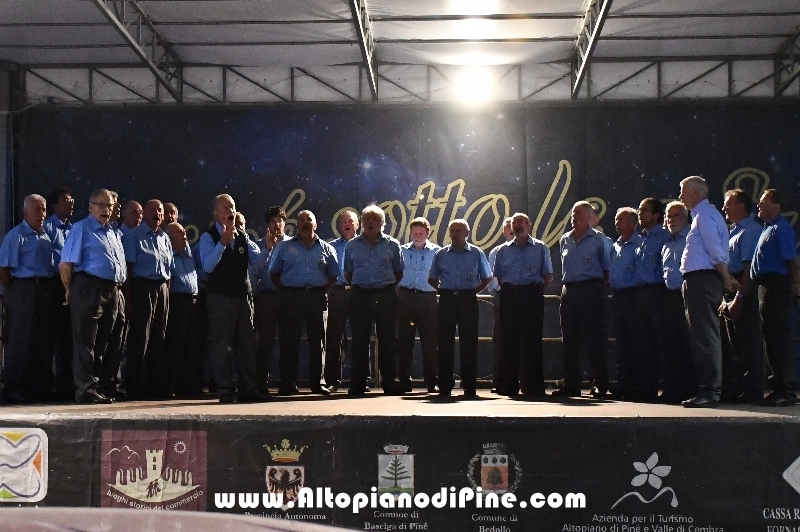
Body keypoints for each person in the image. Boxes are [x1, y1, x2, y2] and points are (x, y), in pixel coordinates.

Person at [199, 194, 269, 403]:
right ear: (216, 213)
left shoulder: (242, 236)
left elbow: (257, 262)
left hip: (243, 297)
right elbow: (207, 266)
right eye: (226, 207)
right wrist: (222, 243)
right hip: (221, 298)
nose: (230, 211)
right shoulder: (208, 237)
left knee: (247, 345)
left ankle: (248, 389)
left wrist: (268, 247)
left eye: (233, 207)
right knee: (222, 345)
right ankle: (224, 389)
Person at [59, 189, 127, 404]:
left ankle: (100, 386)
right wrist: (69, 290)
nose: (106, 209)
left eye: (110, 206)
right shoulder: (81, 228)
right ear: (90, 207)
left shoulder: (113, 231)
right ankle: (85, 389)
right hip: (89, 287)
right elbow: (65, 264)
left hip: (112, 289)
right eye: (101, 205)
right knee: (85, 340)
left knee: (104, 341)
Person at [678, 176, 734, 408]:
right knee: (702, 335)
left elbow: (715, 249)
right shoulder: (702, 215)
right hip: (699, 280)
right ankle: (708, 388)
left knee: (705, 336)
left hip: (703, 280)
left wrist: (725, 278)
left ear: (695, 192)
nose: (680, 197)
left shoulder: (704, 215)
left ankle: (710, 391)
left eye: (683, 191)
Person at [270, 210, 338, 396]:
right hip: (291, 298)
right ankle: (288, 383)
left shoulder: (327, 249)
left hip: (317, 298)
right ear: (296, 225)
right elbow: (273, 273)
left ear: (315, 225)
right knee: (289, 341)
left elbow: (333, 275)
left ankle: (317, 383)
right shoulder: (283, 247)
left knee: (318, 342)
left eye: (309, 219)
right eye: (301, 220)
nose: (305, 222)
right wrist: (287, 291)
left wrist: (320, 291)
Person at [429, 219, 493, 399]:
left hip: (468, 299)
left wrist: (472, 292)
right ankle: (445, 386)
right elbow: (431, 278)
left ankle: (469, 386)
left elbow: (487, 277)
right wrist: (443, 291)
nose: (455, 233)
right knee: (444, 343)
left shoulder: (476, 253)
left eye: (459, 230)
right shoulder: (441, 254)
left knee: (469, 343)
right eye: (452, 230)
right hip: (447, 299)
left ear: (467, 233)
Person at [344, 205, 403, 395]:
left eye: (375, 219)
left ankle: (389, 382)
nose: (371, 222)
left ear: (382, 224)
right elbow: (348, 273)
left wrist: (383, 285)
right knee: (359, 340)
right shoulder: (351, 245)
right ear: (362, 223)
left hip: (385, 295)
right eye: (367, 219)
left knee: (388, 340)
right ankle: (359, 383)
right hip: (360, 295)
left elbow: (398, 272)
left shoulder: (393, 245)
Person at [0, 195, 54, 403]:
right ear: (25, 212)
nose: (42, 214)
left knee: (42, 339)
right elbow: (4, 268)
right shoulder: (17, 235)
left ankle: (38, 388)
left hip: (44, 288)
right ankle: (13, 388)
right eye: (37, 210)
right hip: (23, 287)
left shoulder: (45, 236)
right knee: (20, 339)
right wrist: (12, 292)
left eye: (44, 210)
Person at [554, 201, 610, 398]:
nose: (574, 217)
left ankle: (599, 384)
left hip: (591, 289)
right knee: (569, 340)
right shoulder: (565, 240)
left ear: (588, 217)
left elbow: (607, 269)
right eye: (572, 213)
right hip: (569, 291)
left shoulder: (600, 239)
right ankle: (571, 383)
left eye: (578, 213)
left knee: (595, 339)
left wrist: (596, 289)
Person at [492, 213, 552, 397]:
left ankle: (534, 386)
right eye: (514, 222)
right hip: (510, 296)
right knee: (509, 341)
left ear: (528, 225)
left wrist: (533, 292)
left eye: (520, 222)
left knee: (533, 341)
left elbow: (548, 276)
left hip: (531, 295)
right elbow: (499, 277)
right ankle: (509, 385)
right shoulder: (502, 250)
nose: (516, 225)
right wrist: (512, 291)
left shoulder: (541, 248)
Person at [751, 189, 800, 406]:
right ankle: (777, 386)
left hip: (777, 284)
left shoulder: (782, 228)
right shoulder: (768, 228)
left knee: (778, 336)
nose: (758, 205)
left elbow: (792, 261)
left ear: (776, 205)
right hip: (765, 286)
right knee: (770, 337)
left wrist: (796, 285)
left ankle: (786, 390)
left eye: (763, 202)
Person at [122, 199, 173, 400]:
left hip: (162, 288)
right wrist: (128, 299)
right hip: (141, 287)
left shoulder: (165, 238)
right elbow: (127, 270)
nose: (157, 213)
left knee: (159, 338)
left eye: (160, 210)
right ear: (144, 213)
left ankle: (154, 386)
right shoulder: (134, 235)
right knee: (140, 338)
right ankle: (135, 386)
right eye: (152, 210)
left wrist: (166, 293)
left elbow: (168, 271)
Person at [719, 189, 764, 403]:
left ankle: (753, 388)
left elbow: (749, 268)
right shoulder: (732, 231)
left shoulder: (750, 230)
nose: (724, 208)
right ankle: (738, 386)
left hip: (745, 288)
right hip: (731, 285)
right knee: (735, 342)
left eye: (728, 204)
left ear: (741, 206)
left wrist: (740, 297)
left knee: (749, 339)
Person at [633, 198, 671, 401]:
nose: (640, 214)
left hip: (658, 292)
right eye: (639, 210)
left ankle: (668, 387)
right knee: (644, 342)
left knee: (661, 340)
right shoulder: (641, 237)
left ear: (656, 215)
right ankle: (646, 388)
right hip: (641, 292)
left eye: (644, 210)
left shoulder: (664, 236)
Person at [397, 217, 440, 393]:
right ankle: (404, 382)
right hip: (405, 298)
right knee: (404, 341)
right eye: (415, 232)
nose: (418, 236)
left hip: (428, 298)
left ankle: (431, 382)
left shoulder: (437, 252)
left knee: (430, 341)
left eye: (421, 233)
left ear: (428, 233)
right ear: (410, 233)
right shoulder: (401, 250)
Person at [659, 201, 696, 403]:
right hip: (670, 296)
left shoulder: (692, 239)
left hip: (688, 295)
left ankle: (691, 388)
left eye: (676, 215)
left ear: (686, 217)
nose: (671, 220)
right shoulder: (667, 243)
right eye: (668, 216)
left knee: (688, 343)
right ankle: (674, 388)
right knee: (671, 344)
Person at [253, 206, 290, 394]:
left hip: (287, 297)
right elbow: (255, 271)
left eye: (279, 221)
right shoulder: (258, 245)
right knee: (265, 341)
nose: (277, 225)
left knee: (288, 341)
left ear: (285, 223)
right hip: (265, 297)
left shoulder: (293, 244)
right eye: (273, 221)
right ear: (268, 225)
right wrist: (268, 248)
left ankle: (287, 383)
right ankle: (261, 384)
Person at [608, 207, 643, 400]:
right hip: (618, 296)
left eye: (621, 220)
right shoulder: (615, 245)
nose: (617, 224)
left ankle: (637, 385)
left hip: (634, 296)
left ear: (632, 223)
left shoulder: (640, 243)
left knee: (636, 341)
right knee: (622, 342)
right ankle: (624, 383)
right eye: (616, 219)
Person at [43, 186, 74, 400]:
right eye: (65, 199)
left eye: (71, 199)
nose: (70, 203)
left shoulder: (73, 228)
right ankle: (50, 386)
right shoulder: (47, 228)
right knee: (52, 337)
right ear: (54, 205)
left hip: (72, 285)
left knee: (68, 338)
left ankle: (67, 384)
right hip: (53, 285)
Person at [163, 222, 201, 397]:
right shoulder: (169, 256)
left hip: (193, 301)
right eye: (179, 232)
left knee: (191, 345)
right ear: (169, 236)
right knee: (175, 345)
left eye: (184, 231)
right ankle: (171, 386)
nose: (184, 234)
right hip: (177, 301)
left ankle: (188, 386)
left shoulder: (189, 255)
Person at [325, 210, 359, 392]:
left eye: (350, 221)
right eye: (343, 221)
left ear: (357, 225)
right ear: (339, 226)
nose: (347, 224)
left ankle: (361, 379)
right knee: (333, 337)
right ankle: (332, 380)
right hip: (336, 293)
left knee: (360, 336)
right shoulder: (330, 246)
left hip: (358, 293)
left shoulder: (364, 245)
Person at [487, 217, 513, 393]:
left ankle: (525, 380)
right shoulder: (496, 252)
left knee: (525, 340)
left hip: (524, 296)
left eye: (514, 226)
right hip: (502, 296)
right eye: (508, 227)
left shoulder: (535, 248)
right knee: (500, 339)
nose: (511, 229)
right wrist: (499, 292)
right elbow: (491, 278)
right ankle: (499, 380)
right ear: (504, 231)